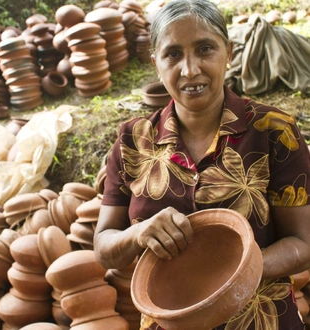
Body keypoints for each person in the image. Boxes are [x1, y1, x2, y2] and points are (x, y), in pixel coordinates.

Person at [94, 0, 310, 329]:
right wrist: (138, 233)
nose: (190, 69)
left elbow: (303, 242)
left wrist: (238, 273)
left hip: (260, 319)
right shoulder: (132, 142)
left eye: (205, 49)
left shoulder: (274, 132)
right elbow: (104, 246)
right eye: (173, 54)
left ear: (230, 53)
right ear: (156, 63)